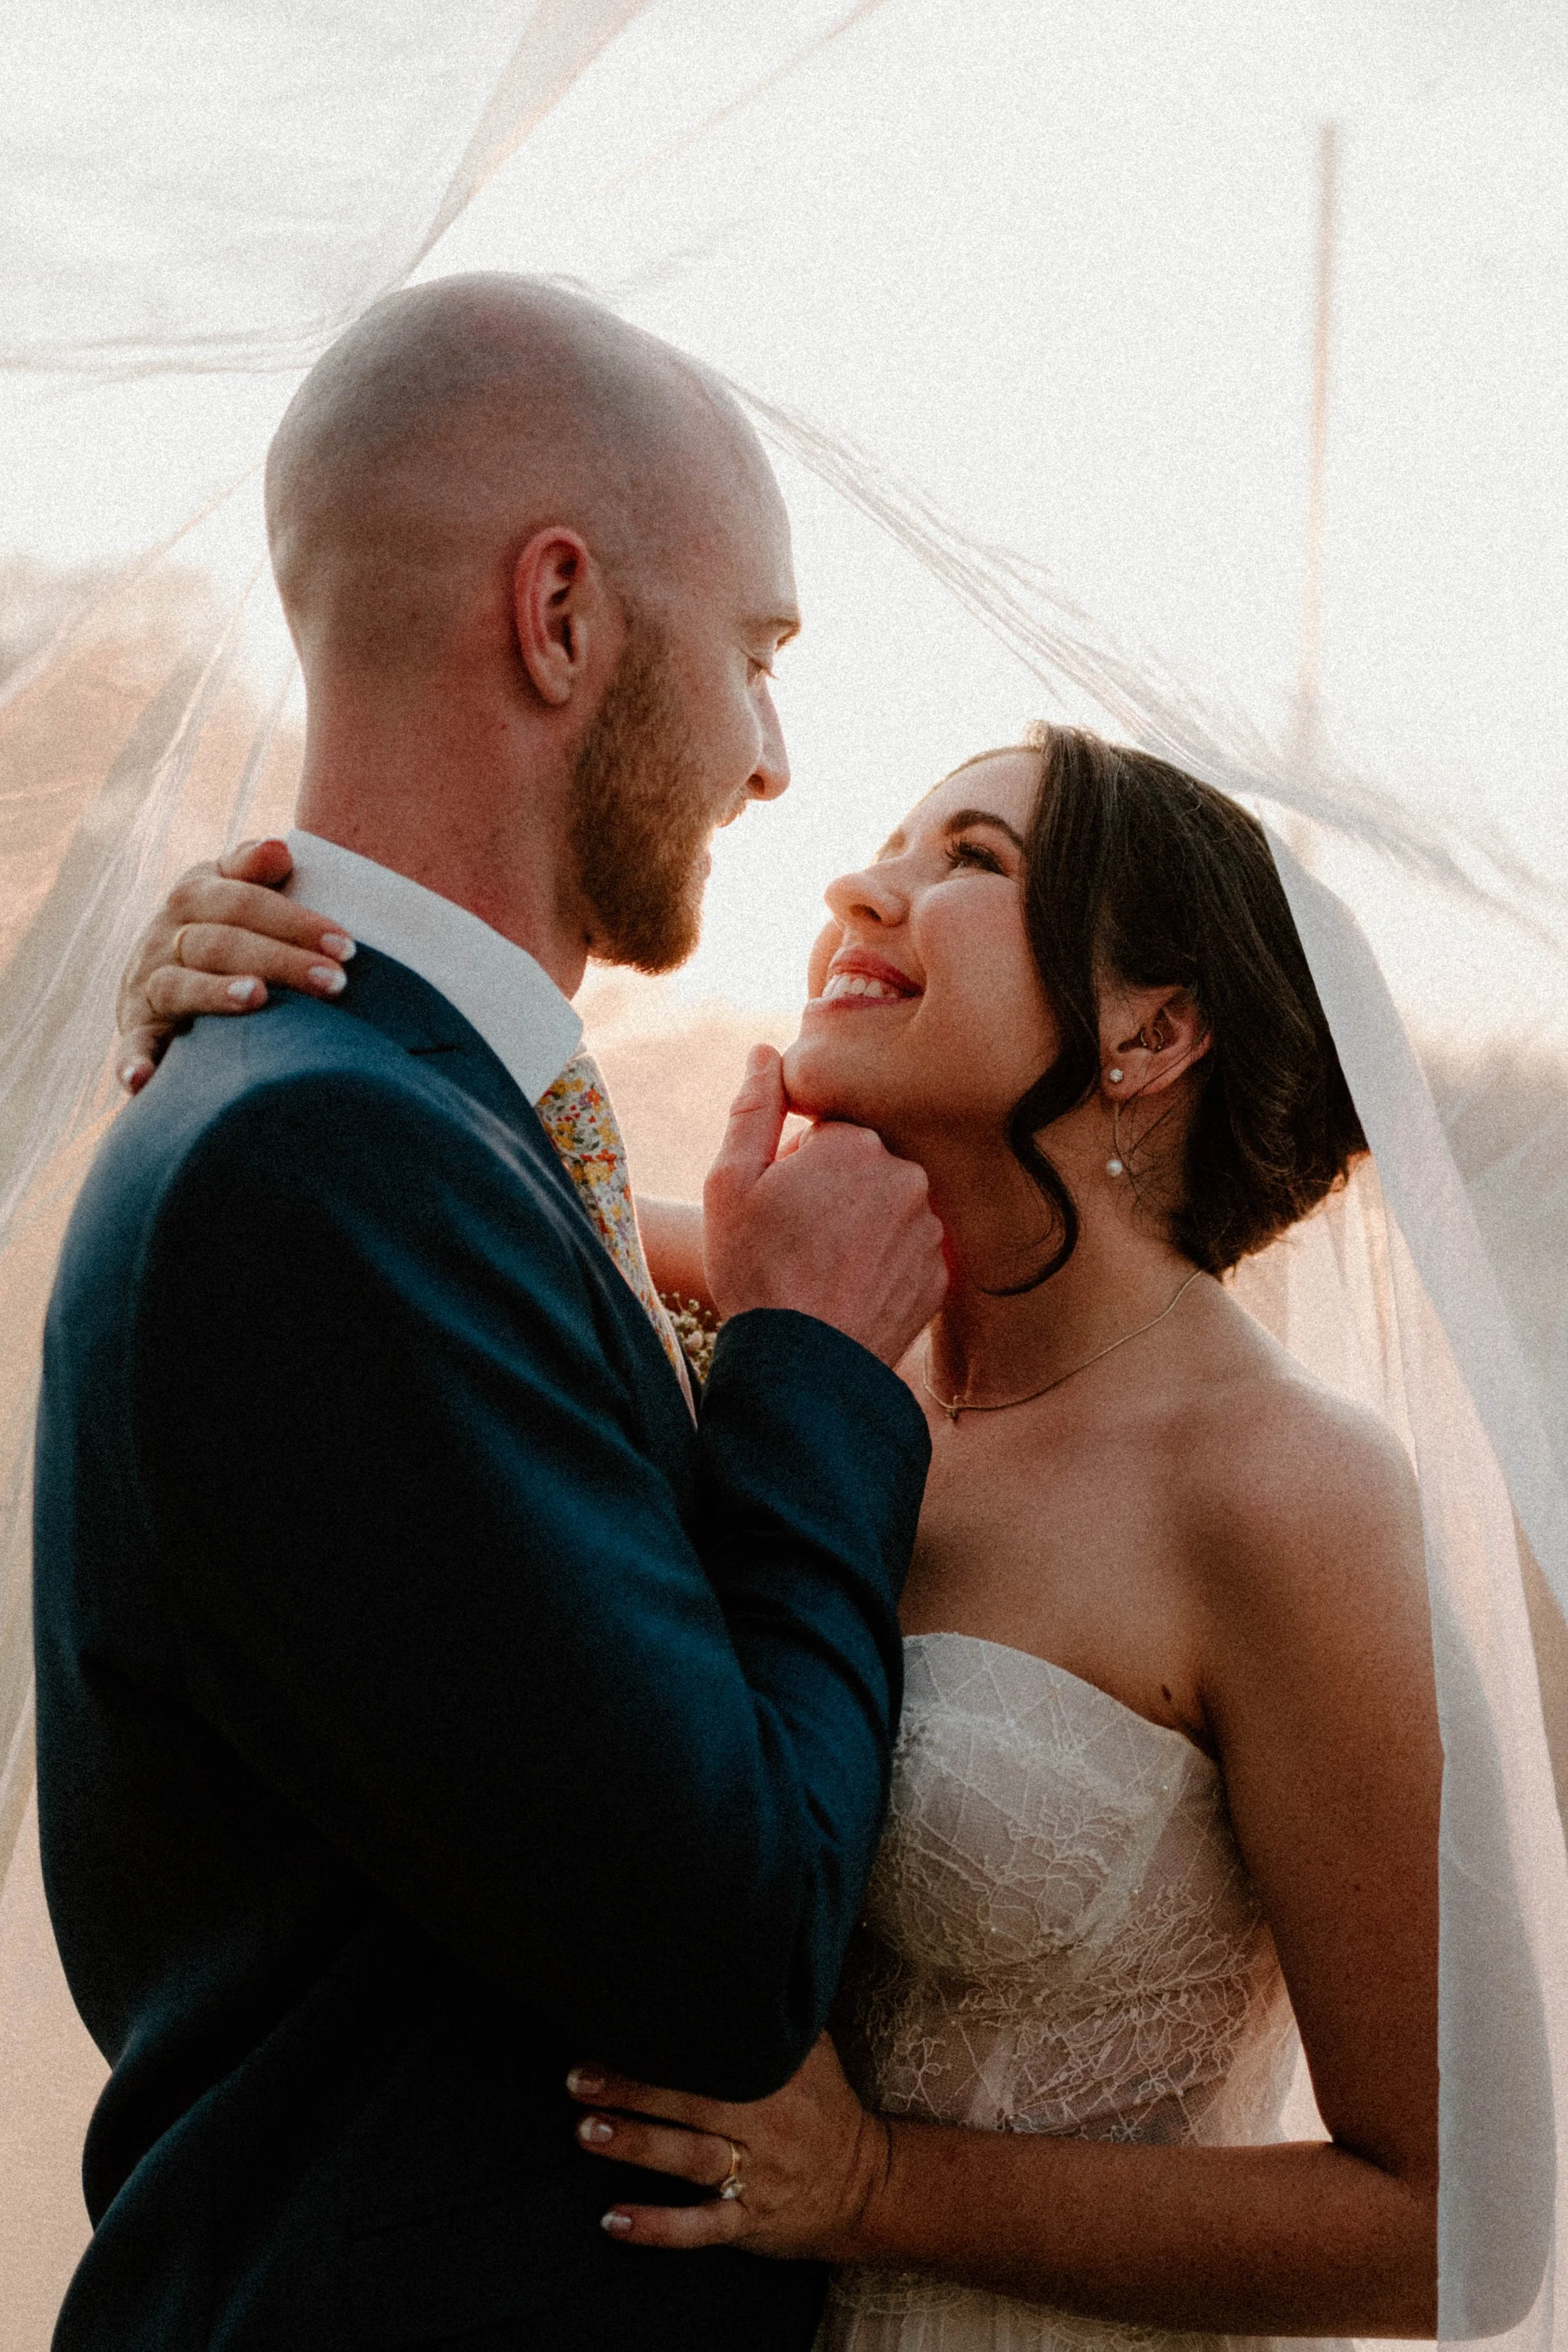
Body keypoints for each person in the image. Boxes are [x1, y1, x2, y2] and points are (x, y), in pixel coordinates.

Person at [121, 726, 1443, 2351]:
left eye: (967, 858)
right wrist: (229, 962)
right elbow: (400, 1178)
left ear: (1151, 1029)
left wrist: (878, 2185)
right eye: (892, 838)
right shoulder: (782, 1323)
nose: (852, 884)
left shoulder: (1284, 1490)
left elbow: (1445, 2220)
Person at [33, 272, 948, 2352]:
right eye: (757, 653)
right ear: (561, 615)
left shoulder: (374, 1111)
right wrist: (807, 1369)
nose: (775, 758)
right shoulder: (323, 1163)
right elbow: (723, 1952)